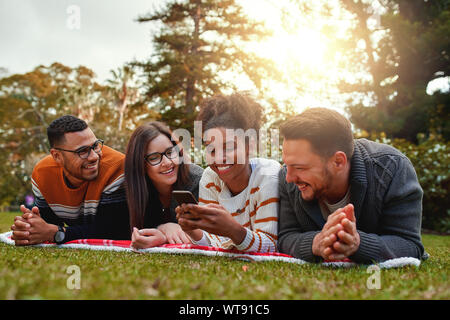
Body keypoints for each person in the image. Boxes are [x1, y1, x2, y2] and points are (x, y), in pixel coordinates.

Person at [277, 107, 426, 263]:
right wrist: (316, 242)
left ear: (338, 161)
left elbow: (410, 245)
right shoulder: (286, 177)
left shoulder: (393, 167)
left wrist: (357, 243)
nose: (289, 178)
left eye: (300, 168)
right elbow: (286, 237)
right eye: (287, 165)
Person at [176, 93, 281, 253]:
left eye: (229, 147)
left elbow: (271, 245)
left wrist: (232, 230)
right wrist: (193, 230)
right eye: (211, 149)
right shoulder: (210, 177)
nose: (219, 159)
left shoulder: (268, 175)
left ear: (250, 146)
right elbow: (213, 243)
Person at [11, 115, 130, 245]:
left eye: (95, 145)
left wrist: (56, 233)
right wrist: (29, 228)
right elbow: (48, 224)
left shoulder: (117, 167)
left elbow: (115, 230)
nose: (94, 157)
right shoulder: (42, 173)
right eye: (82, 151)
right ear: (57, 156)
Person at [124, 121, 204, 249]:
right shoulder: (131, 189)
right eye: (154, 157)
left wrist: (166, 234)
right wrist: (162, 229)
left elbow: (212, 234)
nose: (167, 162)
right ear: (140, 165)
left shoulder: (198, 180)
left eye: (170, 152)